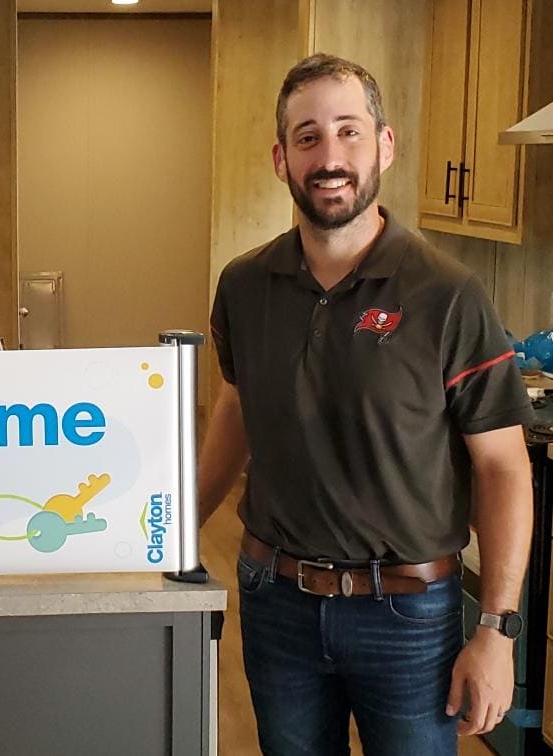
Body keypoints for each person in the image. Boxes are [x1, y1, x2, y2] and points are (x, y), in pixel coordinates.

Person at [199, 53, 534, 755]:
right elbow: (235, 408)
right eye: (308, 136)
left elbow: (504, 468)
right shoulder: (243, 286)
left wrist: (497, 631)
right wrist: (174, 534)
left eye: (349, 131)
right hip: (276, 601)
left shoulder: (448, 294)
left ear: (385, 144)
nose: (330, 156)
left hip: (408, 615)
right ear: (281, 159)